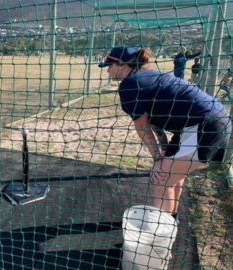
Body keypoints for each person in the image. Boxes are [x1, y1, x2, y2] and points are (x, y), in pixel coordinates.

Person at [98, 46, 231, 220]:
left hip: (205, 125)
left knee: (161, 179)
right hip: (204, 122)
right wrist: (163, 153)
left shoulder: (129, 84)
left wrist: (158, 159)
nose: (107, 70)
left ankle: (159, 236)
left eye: (110, 65)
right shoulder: (146, 76)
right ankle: (170, 222)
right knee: (172, 175)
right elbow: (155, 124)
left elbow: (143, 127)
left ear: (123, 64)